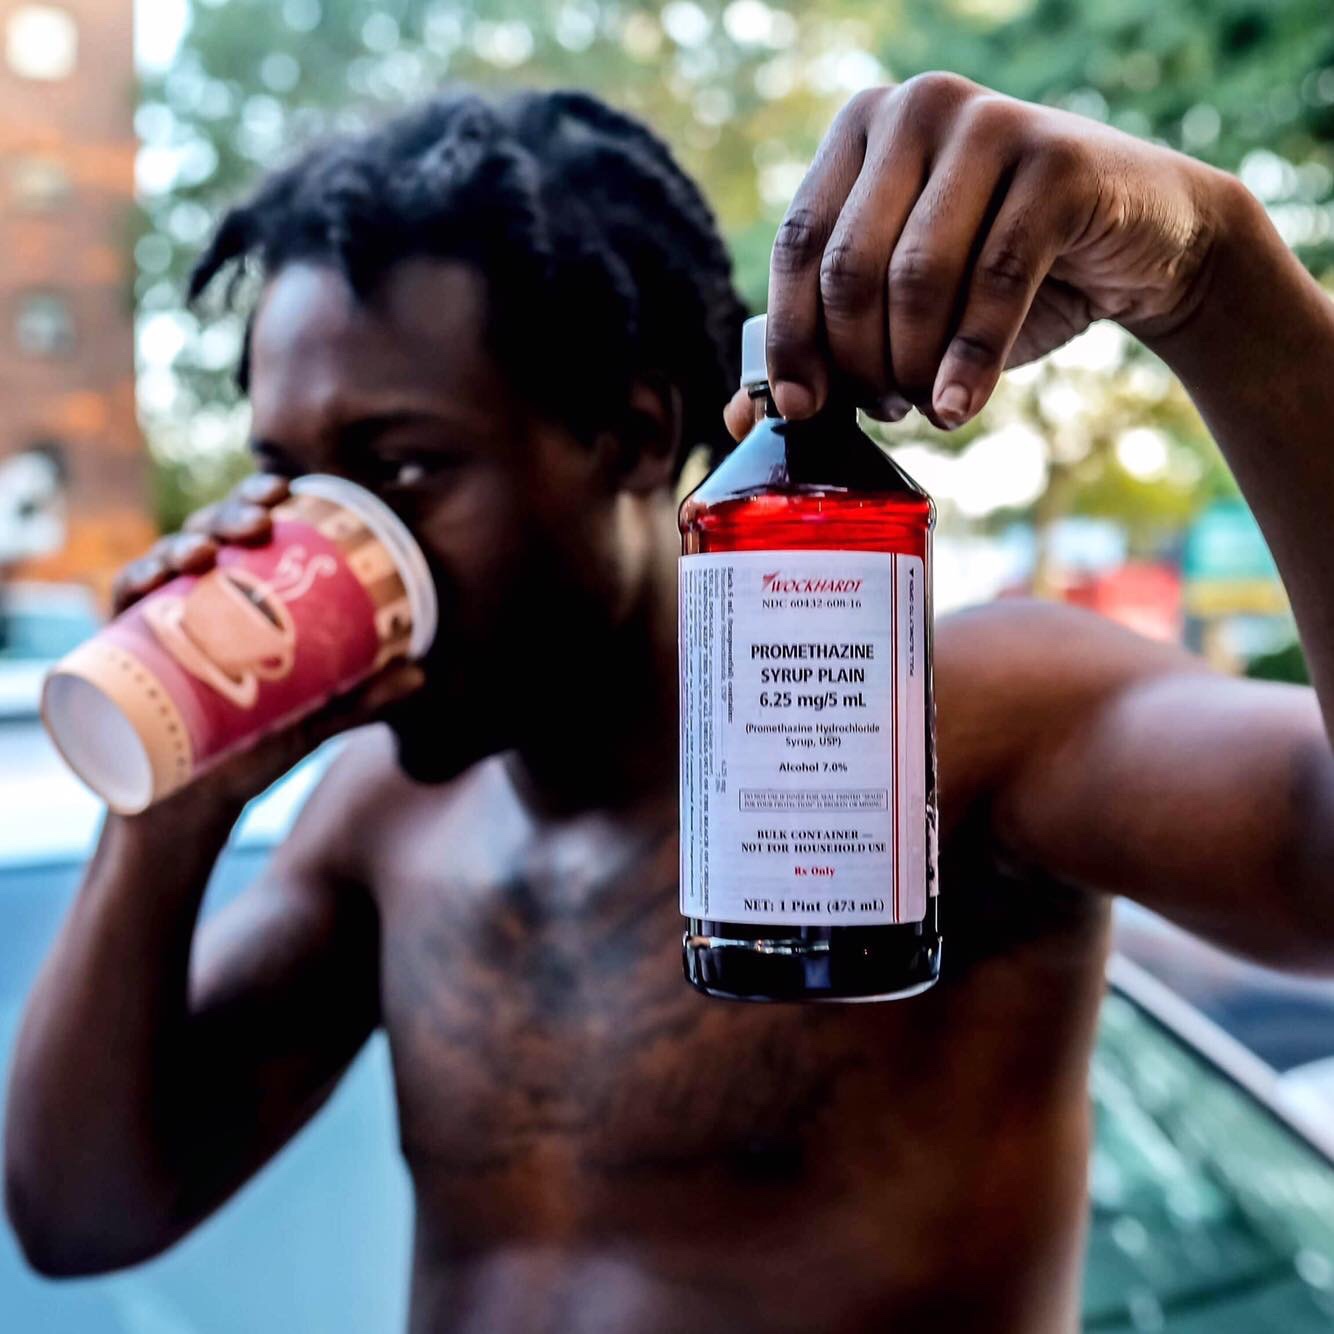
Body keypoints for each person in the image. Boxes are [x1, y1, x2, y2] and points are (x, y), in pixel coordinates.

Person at [6, 76, 1334, 1334]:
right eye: (288, 478)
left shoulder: (941, 720)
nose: (324, 534)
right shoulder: (385, 816)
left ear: (636, 438)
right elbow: (79, 1212)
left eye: (401, 466)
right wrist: (166, 800)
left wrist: (1218, 283)